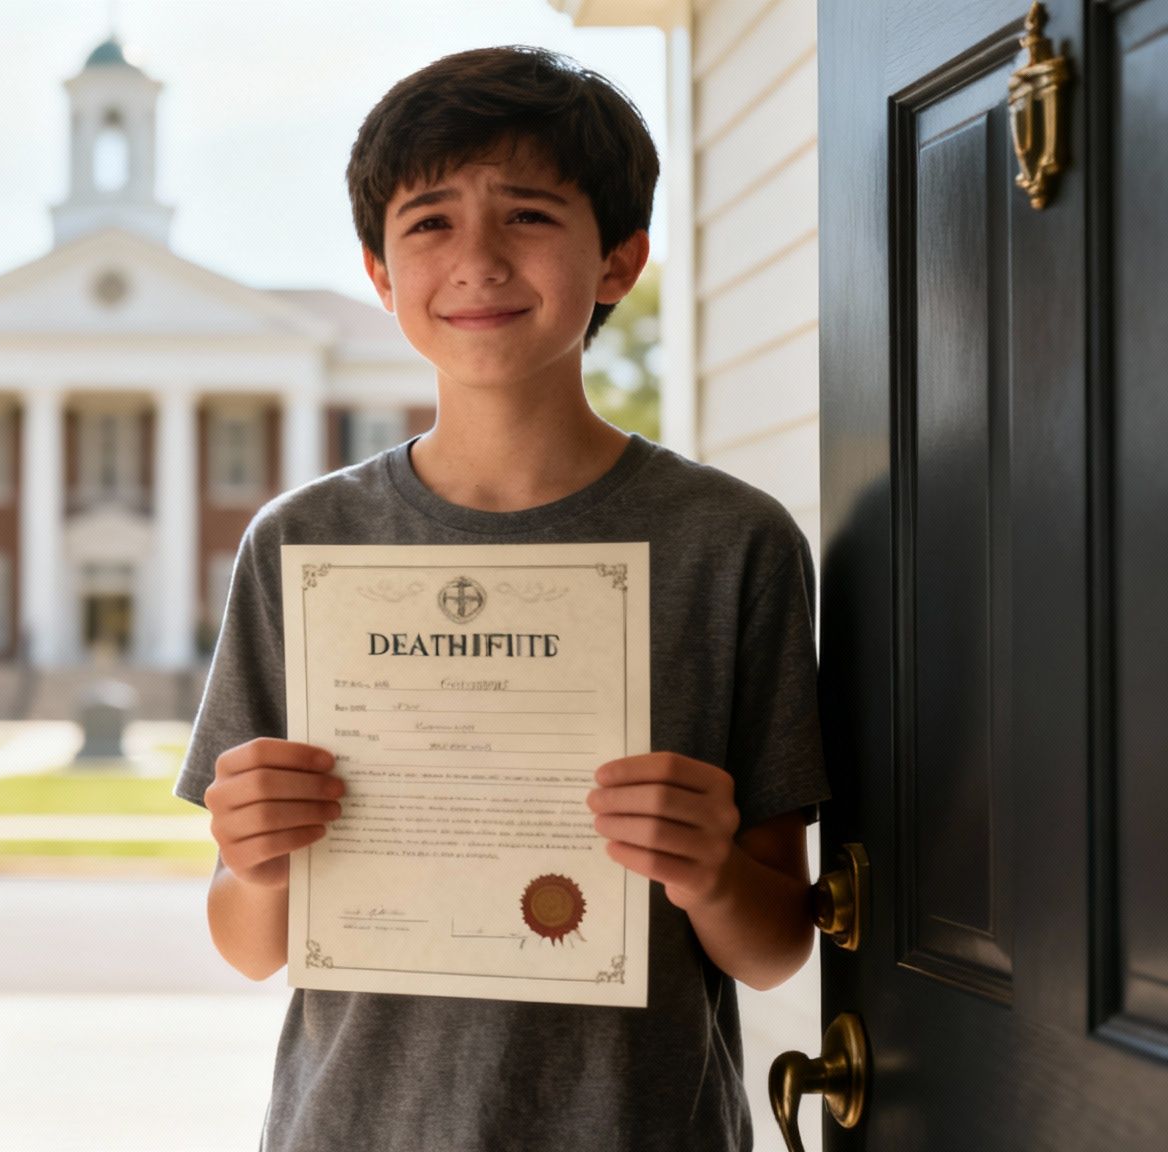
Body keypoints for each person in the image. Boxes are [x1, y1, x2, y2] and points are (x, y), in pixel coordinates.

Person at [172, 45, 828, 1151]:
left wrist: (708, 867)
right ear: (379, 277)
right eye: (427, 223)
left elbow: (772, 946)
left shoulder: (731, 543)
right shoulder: (302, 545)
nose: (473, 259)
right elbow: (247, 943)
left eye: (525, 216)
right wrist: (250, 863)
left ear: (618, 261)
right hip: (351, 1126)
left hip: (635, 1127)